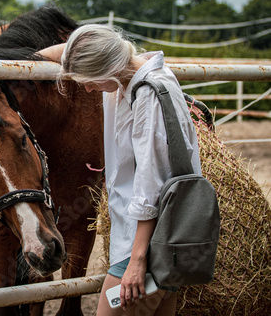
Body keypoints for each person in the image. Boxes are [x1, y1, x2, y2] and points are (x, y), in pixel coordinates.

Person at [38, 24, 202, 316]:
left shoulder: (149, 96)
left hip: (144, 246)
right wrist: (23, 57)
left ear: (109, 67)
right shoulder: (130, 81)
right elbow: (80, 46)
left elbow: (151, 186)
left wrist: (136, 261)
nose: (87, 88)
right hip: (165, 244)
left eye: (89, 81)